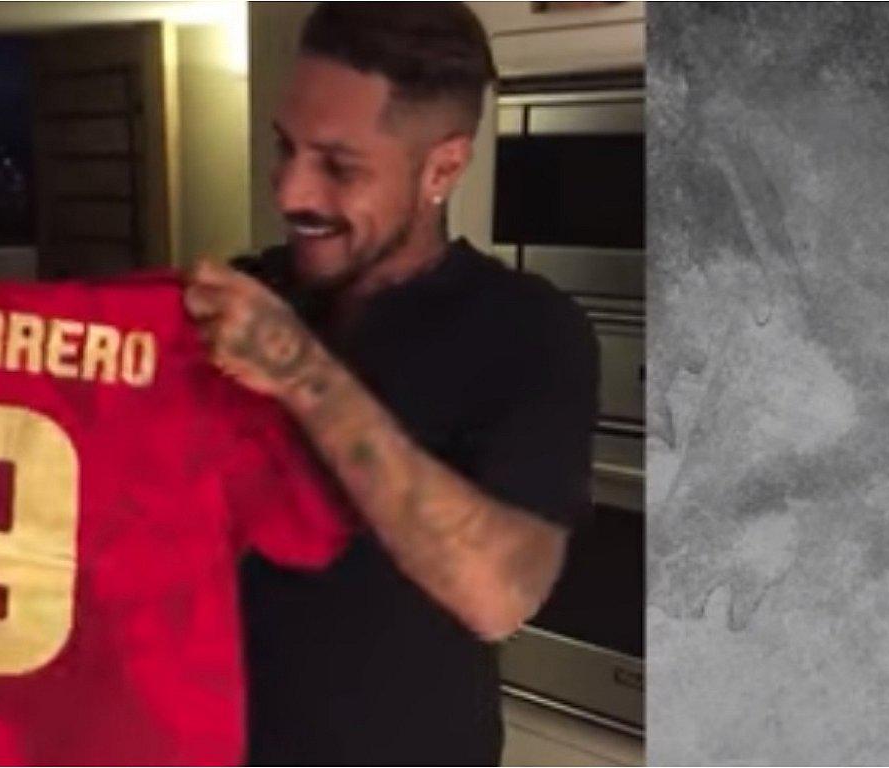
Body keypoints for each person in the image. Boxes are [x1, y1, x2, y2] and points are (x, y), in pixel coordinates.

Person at [183, 3, 599, 764]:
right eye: (285, 148)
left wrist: (301, 373)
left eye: (338, 166)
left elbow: (499, 593)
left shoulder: (527, 329)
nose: (289, 193)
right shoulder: (246, 295)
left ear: (443, 167)